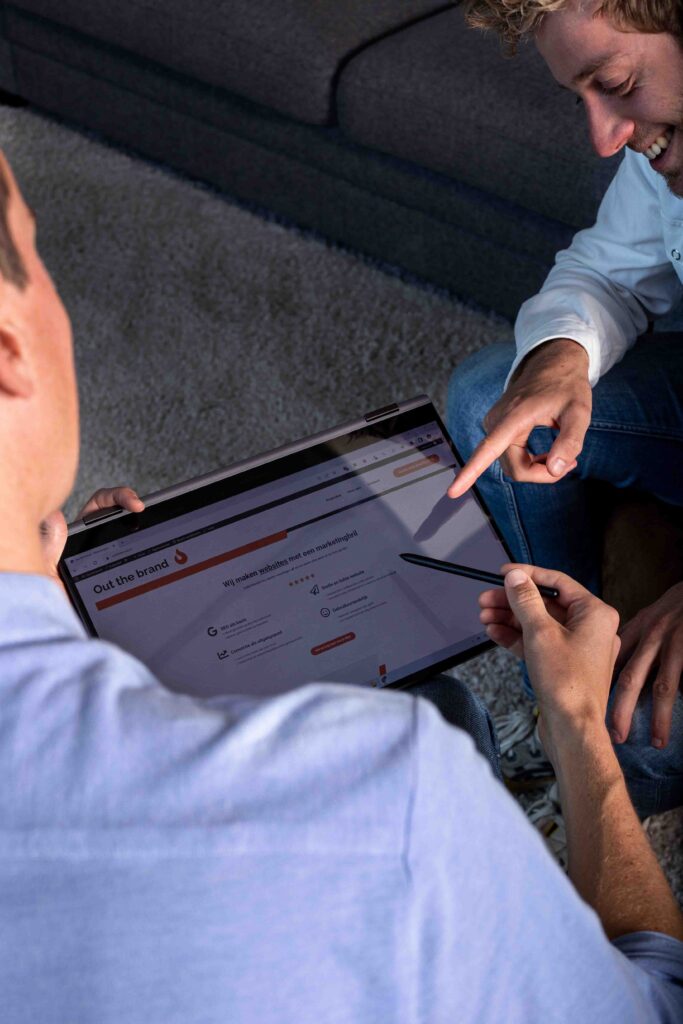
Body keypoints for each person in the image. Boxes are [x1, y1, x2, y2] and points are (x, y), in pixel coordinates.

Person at [1, 148, 682, 1022]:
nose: (603, 134)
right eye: (38, 252)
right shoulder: (391, 783)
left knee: (445, 701)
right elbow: (653, 1002)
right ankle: (599, 759)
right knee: (441, 718)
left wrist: (57, 612)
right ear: (12, 349)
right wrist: (576, 721)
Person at [446, 0, 683, 812]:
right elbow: (610, 270)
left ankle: (596, 757)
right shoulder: (662, 149)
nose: (604, 137)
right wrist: (558, 360)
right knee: (495, 398)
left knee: (636, 733)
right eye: (579, 96)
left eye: (614, 83)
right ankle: (560, 686)